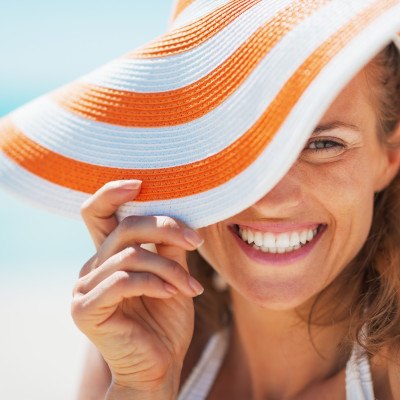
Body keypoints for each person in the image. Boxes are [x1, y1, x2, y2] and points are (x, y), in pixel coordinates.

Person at [71, 41, 400, 399]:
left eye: (323, 145)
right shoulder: (131, 351)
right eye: (233, 147)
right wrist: (141, 388)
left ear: (389, 156)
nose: (272, 201)